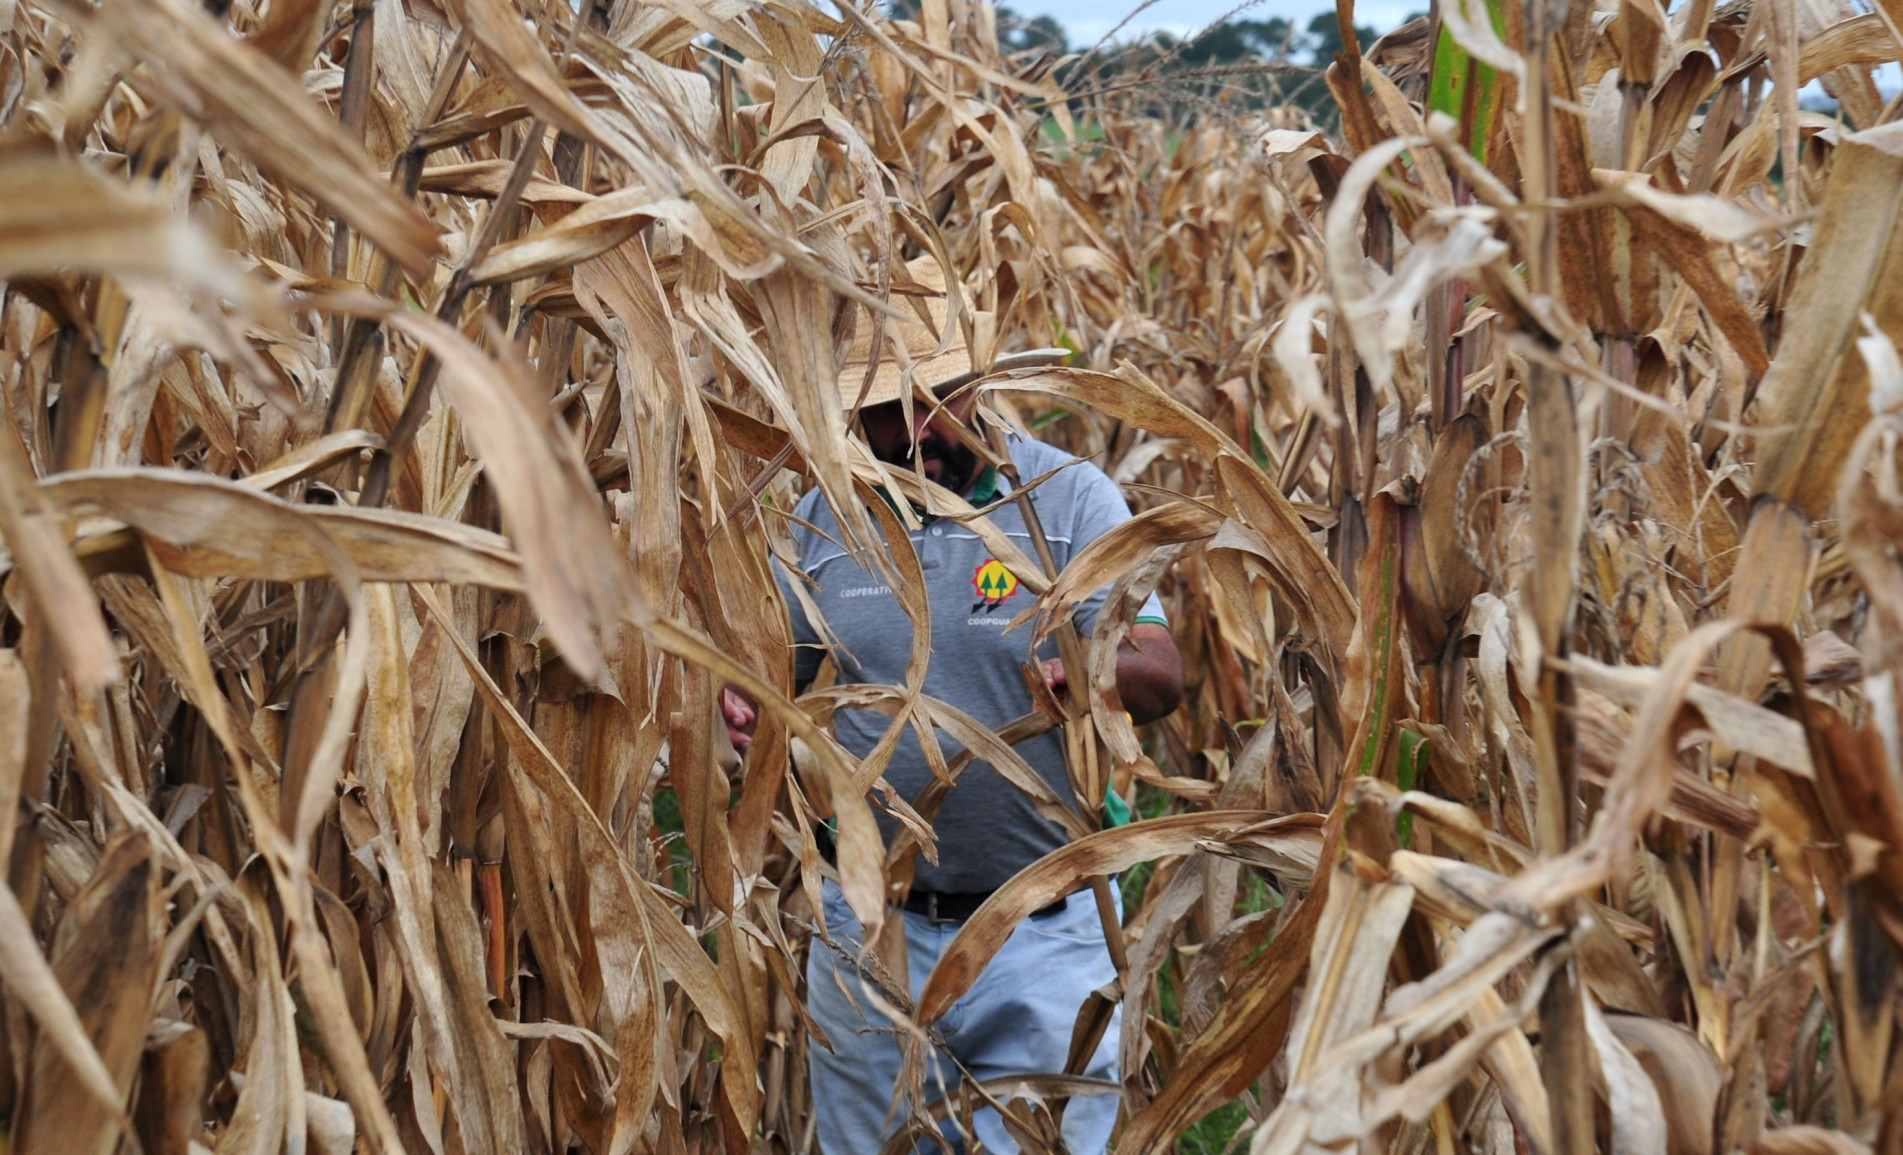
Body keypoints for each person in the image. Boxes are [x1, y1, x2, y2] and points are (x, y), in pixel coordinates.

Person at [722, 262, 1184, 1154]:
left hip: (1045, 937)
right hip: (872, 941)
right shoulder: (822, 520)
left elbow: (1160, 671)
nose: (915, 431)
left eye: (936, 399)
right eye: (885, 411)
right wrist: (743, 713)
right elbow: (759, 673)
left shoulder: (1068, 501)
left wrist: (1093, 672)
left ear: (982, 387)